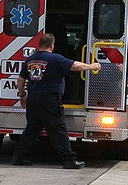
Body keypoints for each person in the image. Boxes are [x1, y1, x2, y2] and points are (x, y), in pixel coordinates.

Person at [12, 33, 101, 169]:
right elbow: (75, 66)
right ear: (52, 45)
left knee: (31, 129)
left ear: (40, 45)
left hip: (33, 99)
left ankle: (18, 157)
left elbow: (20, 80)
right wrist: (92, 66)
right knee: (58, 129)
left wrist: (22, 95)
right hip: (50, 100)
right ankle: (69, 160)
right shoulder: (55, 59)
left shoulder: (30, 60)